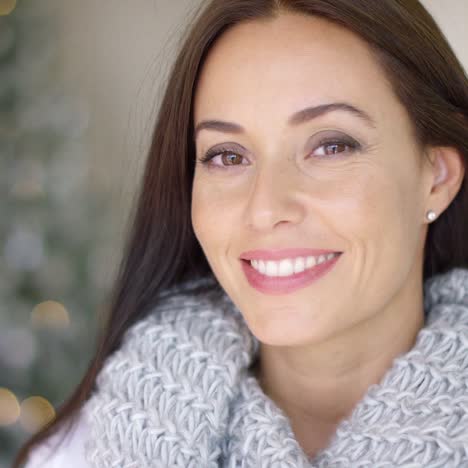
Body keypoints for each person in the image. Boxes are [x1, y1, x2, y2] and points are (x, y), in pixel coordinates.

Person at [16, 0, 468, 466]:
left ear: (436, 176)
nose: (266, 207)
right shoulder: (81, 455)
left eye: (330, 146)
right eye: (228, 156)